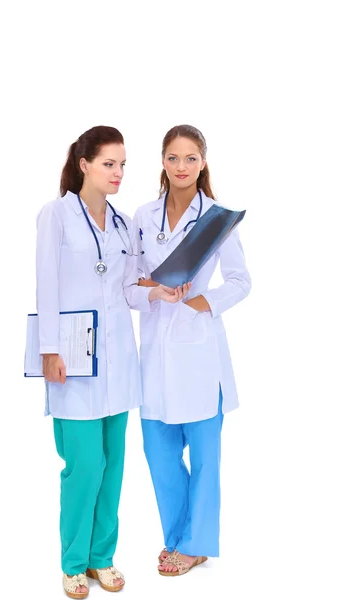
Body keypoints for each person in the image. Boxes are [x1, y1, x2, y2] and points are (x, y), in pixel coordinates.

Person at [35, 125, 189, 598]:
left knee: (113, 464)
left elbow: (127, 286)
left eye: (122, 164)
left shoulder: (123, 224)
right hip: (73, 358)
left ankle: (103, 558)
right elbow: (46, 284)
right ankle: (73, 562)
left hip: (119, 359)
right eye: (109, 164)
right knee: (83, 465)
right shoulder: (57, 216)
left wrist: (156, 291)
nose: (118, 172)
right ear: (84, 164)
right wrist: (49, 349)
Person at [134, 124, 252, 577]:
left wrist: (204, 302)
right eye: (172, 158)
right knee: (159, 452)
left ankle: (195, 543)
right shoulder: (144, 215)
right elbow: (135, 274)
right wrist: (150, 288)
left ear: (202, 162)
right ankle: (180, 534)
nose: (181, 166)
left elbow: (241, 281)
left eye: (190, 158)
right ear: (162, 163)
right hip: (155, 355)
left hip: (200, 353)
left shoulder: (217, 218)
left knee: (204, 458)